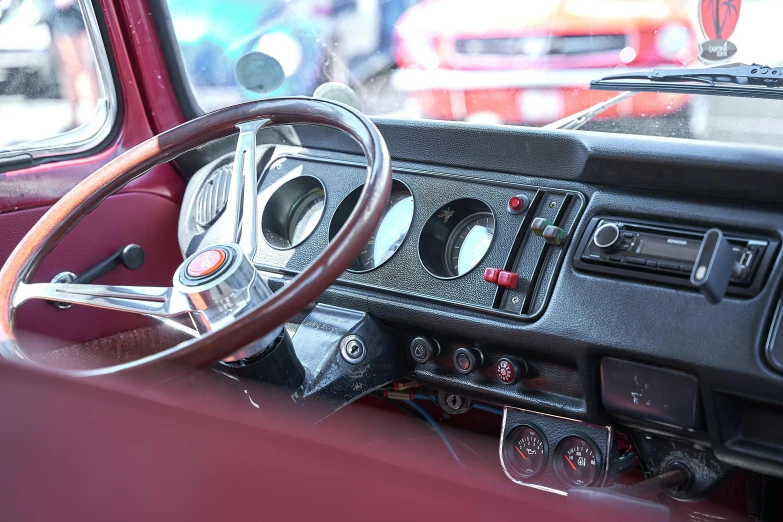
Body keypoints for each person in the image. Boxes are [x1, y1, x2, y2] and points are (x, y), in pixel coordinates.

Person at [49, 0, 98, 130]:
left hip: (72, 25)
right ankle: (76, 116)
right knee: (70, 71)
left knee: (80, 70)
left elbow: (62, 3)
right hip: (62, 24)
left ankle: (90, 114)